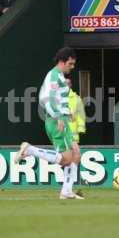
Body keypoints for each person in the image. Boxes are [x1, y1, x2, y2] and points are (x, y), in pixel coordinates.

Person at [14, 47, 84, 199]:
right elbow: (48, 99)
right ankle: (30, 149)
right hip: (57, 121)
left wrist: (67, 112)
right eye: (70, 64)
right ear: (62, 61)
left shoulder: (58, 76)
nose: (72, 67)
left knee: (76, 154)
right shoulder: (54, 76)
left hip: (61, 119)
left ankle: (66, 191)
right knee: (66, 159)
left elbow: (58, 98)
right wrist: (59, 116)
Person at [65, 77, 86, 144]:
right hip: (59, 134)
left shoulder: (76, 98)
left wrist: (81, 128)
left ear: (70, 85)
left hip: (73, 134)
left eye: (67, 84)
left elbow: (81, 114)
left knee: (73, 152)